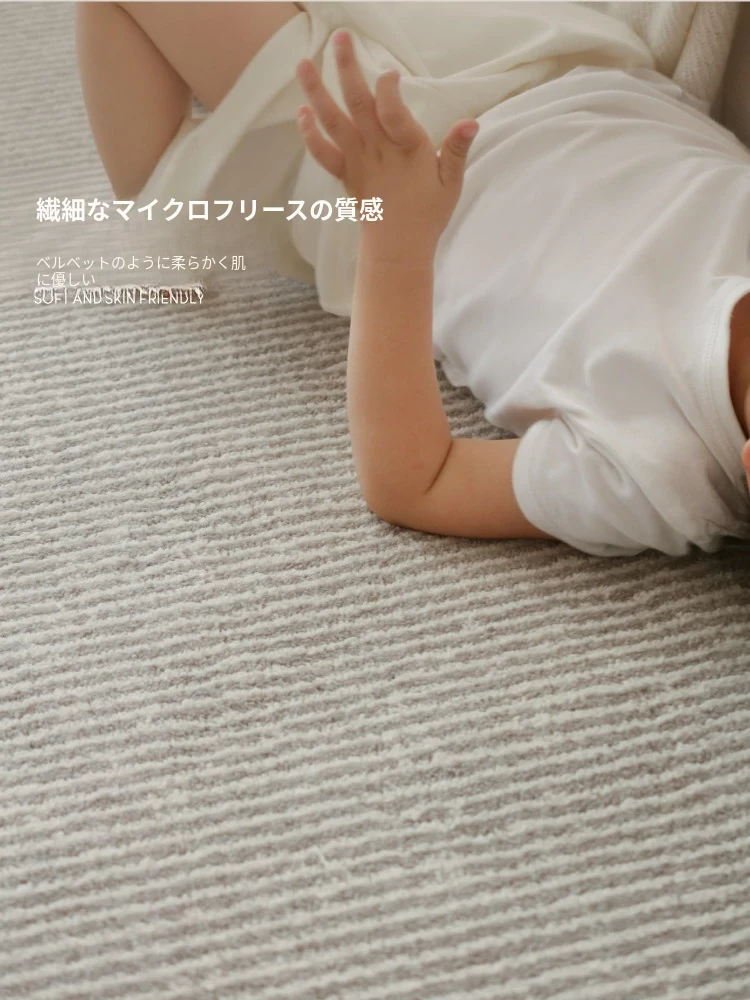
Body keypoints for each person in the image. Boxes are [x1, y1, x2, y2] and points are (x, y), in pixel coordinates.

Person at [76, 1, 750, 557]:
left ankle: (159, 218)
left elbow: (418, 482)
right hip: (561, 56)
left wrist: (393, 242)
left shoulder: (657, 475)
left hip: (398, 171)